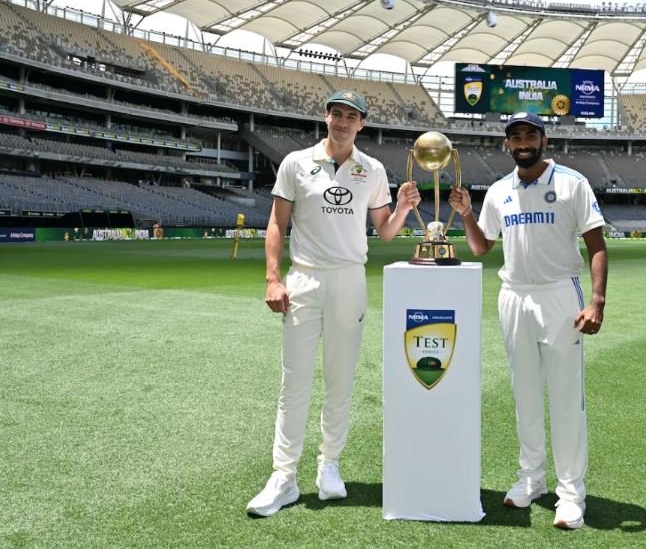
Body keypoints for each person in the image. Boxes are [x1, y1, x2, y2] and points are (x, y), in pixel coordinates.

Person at [247, 90, 420, 517]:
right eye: (336, 113)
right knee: (295, 383)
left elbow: (384, 232)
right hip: (303, 278)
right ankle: (284, 477)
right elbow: (276, 222)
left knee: (340, 381)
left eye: (352, 116)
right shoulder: (296, 163)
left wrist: (400, 209)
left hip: (349, 280)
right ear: (326, 117)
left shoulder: (372, 170)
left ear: (361, 124)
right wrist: (273, 278)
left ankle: (330, 465)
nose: (343, 121)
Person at [449, 112, 608, 530]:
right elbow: (483, 246)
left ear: (544, 139)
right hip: (514, 295)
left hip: (560, 294)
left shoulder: (572, 183)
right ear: (507, 144)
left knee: (565, 396)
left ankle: (571, 493)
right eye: (516, 136)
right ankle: (531, 479)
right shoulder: (499, 191)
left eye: (530, 135)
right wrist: (466, 213)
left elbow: (596, 243)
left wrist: (597, 301)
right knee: (525, 393)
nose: (523, 142)